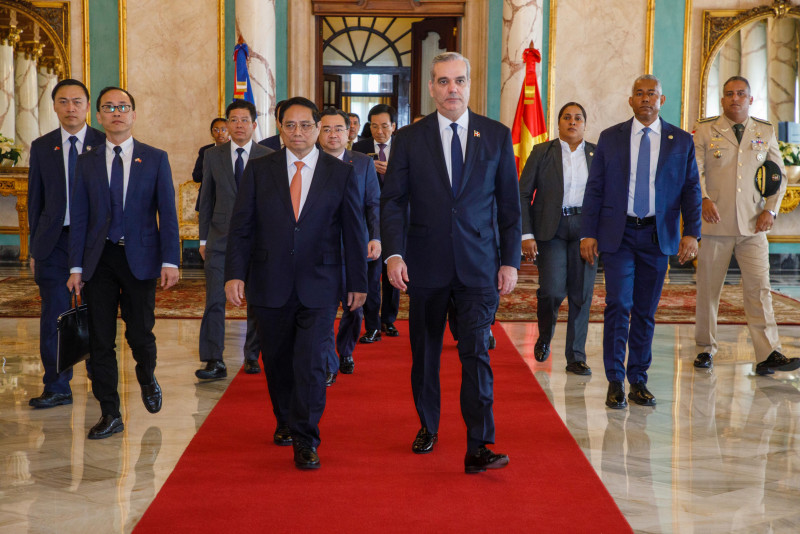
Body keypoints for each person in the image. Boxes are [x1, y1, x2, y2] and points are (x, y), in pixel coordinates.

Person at [382, 52, 521, 474]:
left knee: (476, 354)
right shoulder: (409, 138)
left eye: (458, 80)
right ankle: (429, 425)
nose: (451, 89)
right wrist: (393, 253)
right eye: (442, 82)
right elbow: (393, 203)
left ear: (469, 83)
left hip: (479, 267)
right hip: (424, 266)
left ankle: (479, 444)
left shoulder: (495, 136)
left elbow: (510, 208)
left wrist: (510, 262)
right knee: (424, 354)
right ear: (430, 88)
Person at [224, 97, 367, 470]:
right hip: (269, 282)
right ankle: (285, 418)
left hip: (321, 283)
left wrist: (358, 281)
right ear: (279, 128)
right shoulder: (258, 170)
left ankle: (306, 437)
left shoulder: (341, 173)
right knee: (278, 360)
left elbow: (354, 230)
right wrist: (235, 274)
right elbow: (241, 227)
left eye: (306, 125)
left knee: (311, 362)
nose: (298, 132)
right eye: (290, 125)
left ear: (318, 128)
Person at [579, 75, 702, 409]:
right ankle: (615, 380)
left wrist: (692, 231)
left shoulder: (681, 141)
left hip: (656, 236)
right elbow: (595, 188)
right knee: (618, 304)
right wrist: (587, 232)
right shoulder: (610, 138)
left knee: (646, 311)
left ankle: (639, 381)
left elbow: (691, 188)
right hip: (618, 236)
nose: (646, 99)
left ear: (662, 100)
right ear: (629, 100)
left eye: (652, 94)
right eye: (639, 94)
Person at [67, 86, 180, 439]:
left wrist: (171, 260)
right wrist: (75, 267)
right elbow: (80, 217)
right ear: (98, 116)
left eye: (123, 106)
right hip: (99, 259)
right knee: (100, 340)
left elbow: (168, 212)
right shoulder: (86, 161)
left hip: (141, 257)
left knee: (140, 334)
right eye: (109, 107)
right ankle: (110, 412)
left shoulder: (155, 157)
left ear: (133, 114)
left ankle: (147, 375)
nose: (116, 112)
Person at [693, 76, 799, 375]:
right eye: (729, 94)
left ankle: (769, 353)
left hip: (753, 226)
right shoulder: (705, 130)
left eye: (741, 94)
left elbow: (778, 175)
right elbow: (695, 172)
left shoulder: (764, 131)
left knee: (759, 289)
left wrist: (772, 211)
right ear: (722, 99)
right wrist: (702, 198)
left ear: (750, 99)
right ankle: (705, 349)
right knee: (708, 291)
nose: (735, 99)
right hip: (715, 224)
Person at [27, 79, 105, 409]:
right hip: (54, 241)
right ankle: (57, 385)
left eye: (77, 101)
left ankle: (100, 378)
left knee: (98, 311)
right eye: (63, 102)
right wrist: (35, 247)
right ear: (55, 107)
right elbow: (36, 200)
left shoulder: (104, 143)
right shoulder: (42, 146)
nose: (70, 108)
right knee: (54, 314)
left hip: (95, 241)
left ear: (88, 107)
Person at [195, 100, 273, 380]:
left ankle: (252, 354)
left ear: (254, 125)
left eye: (244, 120)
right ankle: (213, 359)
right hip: (219, 240)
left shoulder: (269, 155)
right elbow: (206, 200)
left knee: (256, 300)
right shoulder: (212, 156)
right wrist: (203, 239)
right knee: (214, 300)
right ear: (226, 125)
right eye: (233, 120)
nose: (238, 125)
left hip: (257, 242)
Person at [519, 102, 597, 375]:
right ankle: (544, 335)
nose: (572, 122)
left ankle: (575, 356)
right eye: (567, 117)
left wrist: (596, 233)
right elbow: (523, 193)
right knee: (551, 291)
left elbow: (605, 198)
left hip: (586, 231)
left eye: (578, 118)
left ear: (585, 124)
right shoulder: (542, 152)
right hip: (550, 230)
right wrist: (526, 234)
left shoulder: (597, 154)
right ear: (559, 123)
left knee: (581, 294)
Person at [317, 108, 380, 385]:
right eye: (327, 129)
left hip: (356, 248)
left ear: (349, 132)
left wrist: (375, 237)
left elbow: (373, 204)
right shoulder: (310, 162)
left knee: (354, 307)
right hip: (320, 251)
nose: (333, 134)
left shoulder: (363, 163)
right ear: (318, 132)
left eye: (339, 129)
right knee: (323, 308)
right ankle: (328, 362)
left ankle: (346, 351)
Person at [353, 104, 400, 342]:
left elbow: (414, 182)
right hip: (368, 219)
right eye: (374, 125)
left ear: (393, 126)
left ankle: (389, 320)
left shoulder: (404, 147)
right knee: (372, 274)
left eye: (384, 125)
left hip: (396, 219)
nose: (379, 131)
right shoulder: (359, 149)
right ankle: (372, 325)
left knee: (393, 272)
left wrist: (391, 172)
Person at [191, 118, 228, 211]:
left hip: (227, 201)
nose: (220, 133)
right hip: (208, 200)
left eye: (223, 129)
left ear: (230, 131)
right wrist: (210, 166)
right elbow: (196, 177)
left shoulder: (234, 151)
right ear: (211, 133)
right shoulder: (205, 151)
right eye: (216, 130)